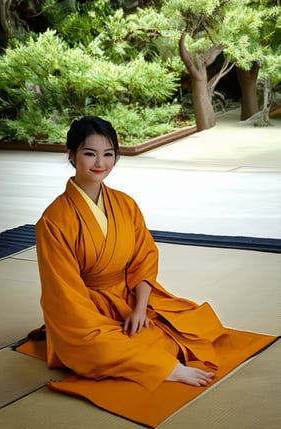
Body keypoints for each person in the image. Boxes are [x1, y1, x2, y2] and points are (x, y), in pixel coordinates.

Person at [36, 115, 226, 392]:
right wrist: (93, 323)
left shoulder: (125, 204)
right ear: (71, 155)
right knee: (96, 348)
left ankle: (146, 348)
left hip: (129, 297)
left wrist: (139, 308)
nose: (100, 164)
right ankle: (166, 368)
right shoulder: (53, 220)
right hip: (82, 310)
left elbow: (143, 257)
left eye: (108, 154)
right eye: (90, 154)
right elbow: (64, 294)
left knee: (193, 322)